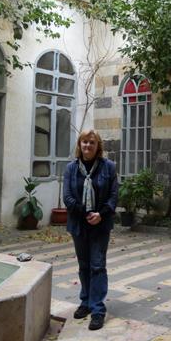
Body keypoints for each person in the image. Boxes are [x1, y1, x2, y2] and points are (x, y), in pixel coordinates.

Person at [63, 129, 118, 330]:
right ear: (80, 144)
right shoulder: (71, 168)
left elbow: (113, 196)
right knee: (84, 265)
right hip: (79, 223)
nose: (87, 146)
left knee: (97, 265)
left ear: (98, 146)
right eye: (84, 142)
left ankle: (97, 309)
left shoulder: (108, 167)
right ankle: (85, 302)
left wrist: (100, 214)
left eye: (92, 142)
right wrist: (85, 213)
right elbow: (67, 197)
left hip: (100, 224)